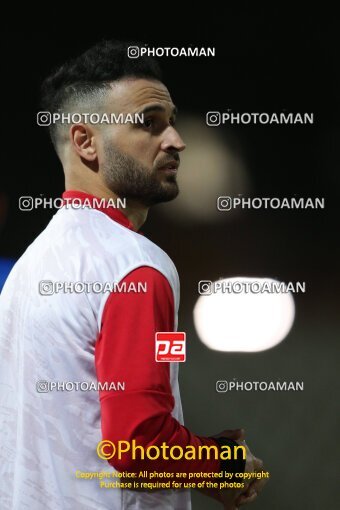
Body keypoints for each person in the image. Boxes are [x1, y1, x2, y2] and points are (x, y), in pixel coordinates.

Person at [0, 40, 266, 510]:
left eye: (171, 121)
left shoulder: (28, 268)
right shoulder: (137, 267)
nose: (176, 140)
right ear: (85, 141)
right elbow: (140, 445)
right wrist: (224, 467)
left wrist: (196, 447)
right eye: (149, 123)